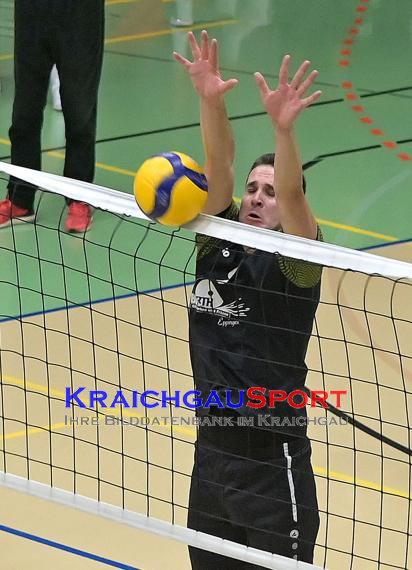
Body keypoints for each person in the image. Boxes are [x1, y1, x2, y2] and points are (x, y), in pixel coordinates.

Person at [174, 31, 323, 568]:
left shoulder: (296, 265)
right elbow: (220, 169)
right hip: (211, 455)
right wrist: (210, 100)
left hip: (270, 461)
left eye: (269, 192)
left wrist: (284, 132)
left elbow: (293, 193)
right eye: (253, 191)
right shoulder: (216, 241)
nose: (259, 198)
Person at [0, 0, 105, 232]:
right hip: (32, 13)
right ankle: (20, 200)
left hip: (79, 16)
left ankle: (79, 197)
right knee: (24, 113)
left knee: (79, 112)